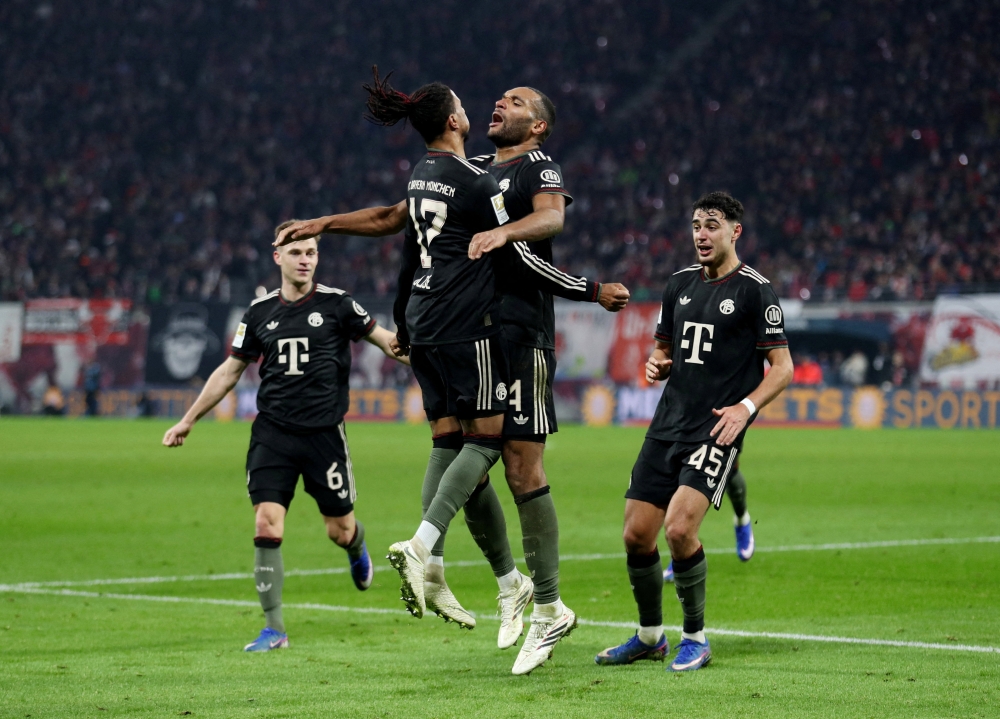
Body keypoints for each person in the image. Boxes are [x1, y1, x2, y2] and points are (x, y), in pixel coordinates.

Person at [276, 81, 630, 674]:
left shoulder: (539, 167)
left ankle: (544, 606)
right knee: (468, 451)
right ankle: (503, 580)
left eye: (517, 103)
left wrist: (515, 241)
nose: (500, 105)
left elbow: (549, 221)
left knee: (520, 465)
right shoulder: (472, 170)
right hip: (475, 327)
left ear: (539, 126)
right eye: (498, 100)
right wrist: (325, 224)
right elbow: (400, 221)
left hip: (521, 333)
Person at [162, 226, 408, 652]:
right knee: (265, 521)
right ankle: (274, 629)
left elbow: (386, 341)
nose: (306, 259)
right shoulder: (258, 313)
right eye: (296, 252)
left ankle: (356, 543)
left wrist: (416, 348)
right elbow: (229, 372)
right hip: (273, 434)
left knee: (338, 529)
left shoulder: (338, 304)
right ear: (277, 257)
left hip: (324, 437)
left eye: (311, 251)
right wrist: (189, 419)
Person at [596, 192, 793, 672]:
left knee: (680, 529)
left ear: (734, 232)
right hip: (667, 424)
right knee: (636, 535)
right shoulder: (678, 284)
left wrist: (745, 408)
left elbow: (783, 367)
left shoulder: (754, 290)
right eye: (696, 226)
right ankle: (649, 636)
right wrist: (657, 364)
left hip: (716, 430)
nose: (701, 235)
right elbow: (664, 349)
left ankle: (696, 638)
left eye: (711, 225)